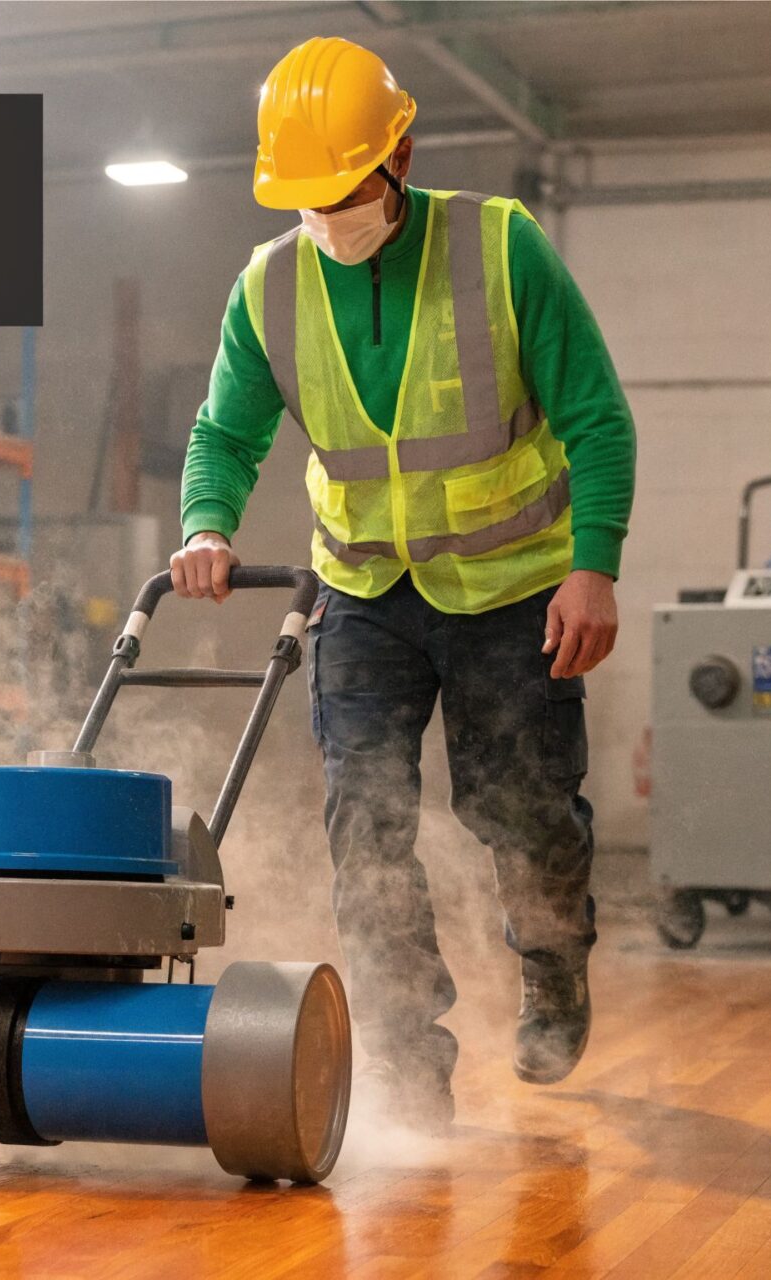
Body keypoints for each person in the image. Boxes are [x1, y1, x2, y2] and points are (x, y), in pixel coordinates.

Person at [169, 37, 635, 1128]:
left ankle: (554, 966)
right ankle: (405, 1061)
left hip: (515, 593)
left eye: (345, 190)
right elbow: (224, 433)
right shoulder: (270, 285)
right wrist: (206, 524)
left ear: (401, 159)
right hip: (365, 595)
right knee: (364, 820)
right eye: (308, 198)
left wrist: (594, 568)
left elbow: (596, 418)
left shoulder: (500, 247)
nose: (328, 214)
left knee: (519, 812)